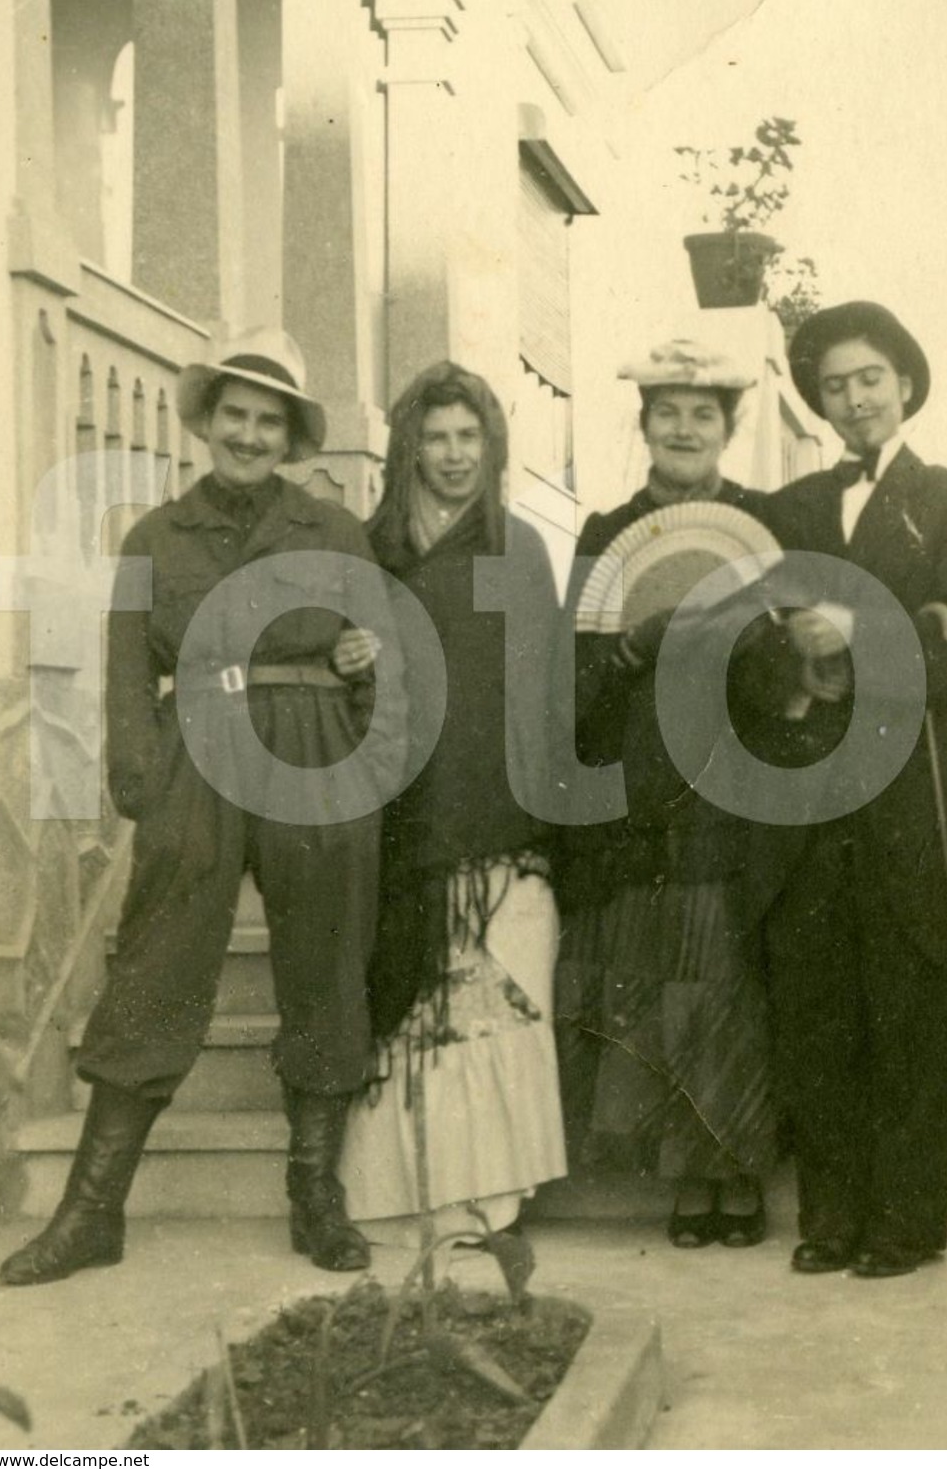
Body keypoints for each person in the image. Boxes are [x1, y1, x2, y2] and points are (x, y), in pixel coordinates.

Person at [0, 329, 407, 1286]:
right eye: (236, 415)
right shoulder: (155, 537)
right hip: (202, 747)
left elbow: (377, 656)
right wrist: (143, 781)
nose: (250, 434)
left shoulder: (331, 531)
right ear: (208, 422)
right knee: (156, 962)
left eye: (270, 421)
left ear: (292, 434)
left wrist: (361, 770)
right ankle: (93, 1210)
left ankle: (317, 1197)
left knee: (324, 957)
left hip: (314, 747)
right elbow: (129, 668)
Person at [750, 301, 947, 1278]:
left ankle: (902, 1222)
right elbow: (745, 639)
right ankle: (831, 1216)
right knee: (818, 998)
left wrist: (857, 635)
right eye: (833, 385)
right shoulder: (790, 511)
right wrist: (789, 661)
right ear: (816, 403)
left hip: (908, 791)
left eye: (869, 377)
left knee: (905, 994)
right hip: (812, 788)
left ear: (902, 383)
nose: (852, 397)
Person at [553, 337, 779, 1249]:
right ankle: (686, 1179)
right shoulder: (607, 533)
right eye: (666, 412)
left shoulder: (760, 524)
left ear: (727, 429)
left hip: (734, 785)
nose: (683, 428)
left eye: (702, 414)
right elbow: (576, 672)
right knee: (656, 982)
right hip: (642, 785)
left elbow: (783, 647)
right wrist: (632, 649)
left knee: (727, 979)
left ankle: (739, 1170)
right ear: (642, 424)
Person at [338, 360, 567, 1238]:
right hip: (399, 811)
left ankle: (489, 1198)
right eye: (434, 437)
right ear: (407, 448)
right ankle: (403, 1196)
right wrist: (344, 659)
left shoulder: (517, 548)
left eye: (468, 436)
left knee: (494, 1002)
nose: (452, 454)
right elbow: (341, 664)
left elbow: (543, 691)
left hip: (496, 821)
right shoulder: (371, 547)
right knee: (408, 1003)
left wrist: (536, 813)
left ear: (492, 445)